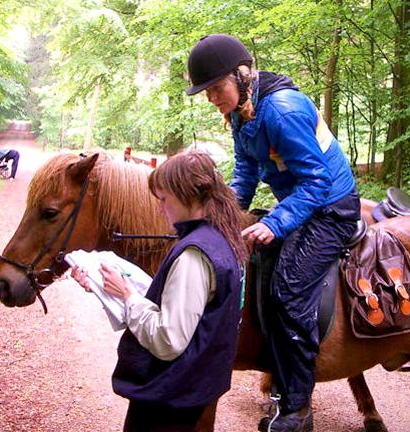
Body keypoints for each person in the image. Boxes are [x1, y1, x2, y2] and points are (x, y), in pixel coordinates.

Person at [186, 34, 360, 432]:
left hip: (330, 207)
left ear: (241, 77)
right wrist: (224, 214)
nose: (213, 98)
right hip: (302, 201)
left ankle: (297, 408)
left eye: (217, 88)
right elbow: (246, 172)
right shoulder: (241, 114)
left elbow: (316, 183)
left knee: (288, 290)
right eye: (207, 92)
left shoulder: (281, 111)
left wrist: (275, 222)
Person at [71, 151, 247, 432]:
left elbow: (168, 339)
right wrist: (112, 289)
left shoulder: (194, 255)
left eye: (164, 199)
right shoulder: (220, 239)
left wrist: (128, 296)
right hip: (191, 390)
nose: (160, 208)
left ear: (187, 195)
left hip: (169, 397)